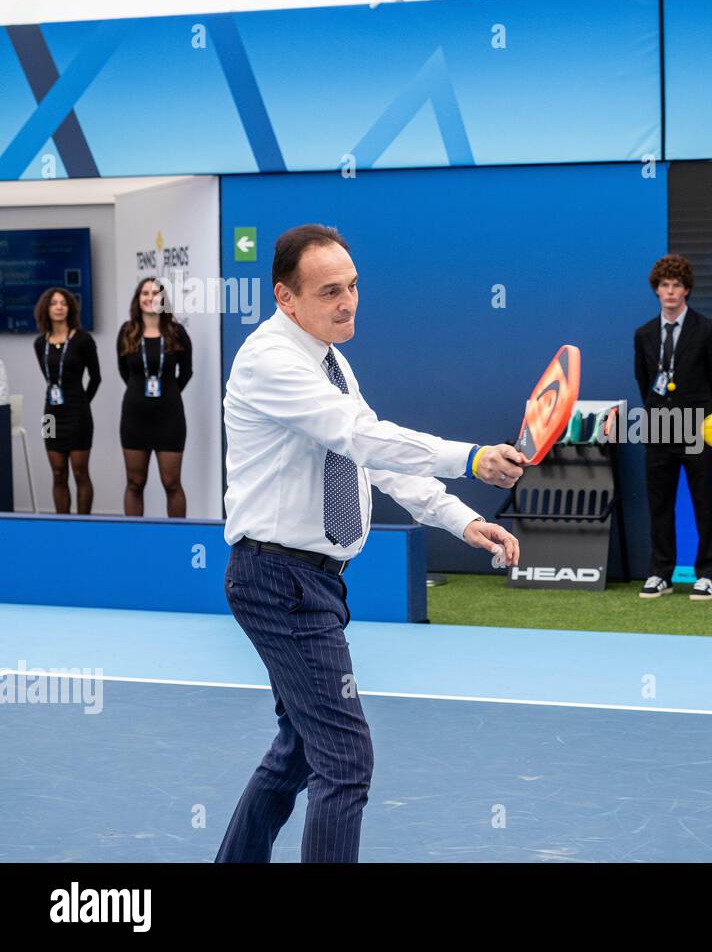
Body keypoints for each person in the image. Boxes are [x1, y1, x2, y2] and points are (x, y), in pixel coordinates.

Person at [217, 224, 524, 863]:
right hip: (278, 581)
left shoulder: (330, 358)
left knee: (300, 751)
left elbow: (375, 462)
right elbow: (362, 436)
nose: (348, 302)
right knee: (346, 757)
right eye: (330, 291)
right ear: (285, 297)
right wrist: (468, 456)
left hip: (312, 580)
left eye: (353, 286)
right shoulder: (269, 360)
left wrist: (458, 519)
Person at [633, 253, 712, 601]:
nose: (670, 292)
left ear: (686, 290)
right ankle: (661, 572)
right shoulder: (644, 334)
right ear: (657, 290)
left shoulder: (707, 330)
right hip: (659, 427)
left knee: (704, 502)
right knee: (660, 504)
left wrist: (707, 421)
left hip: (696, 428)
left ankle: (708, 575)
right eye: (664, 286)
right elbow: (644, 381)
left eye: (676, 286)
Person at [117, 277, 193, 517]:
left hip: (169, 418)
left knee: (171, 483)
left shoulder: (176, 332)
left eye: (155, 293)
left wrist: (168, 394)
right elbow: (124, 371)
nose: (150, 298)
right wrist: (140, 394)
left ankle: (179, 539)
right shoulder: (127, 332)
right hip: (134, 418)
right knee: (134, 483)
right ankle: (132, 539)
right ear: (137, 300)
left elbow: (187, 371)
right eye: (144, 294)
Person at [32, 288, 100, 514]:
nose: (59, 307)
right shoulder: (40, 343)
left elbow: (96, 377)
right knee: (58, 472)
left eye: (63, 303)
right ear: (46, 309)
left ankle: (84, 525)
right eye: (54, 303)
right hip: (51, 416)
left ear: (70, 308)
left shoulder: (83, 340)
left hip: (77, 414)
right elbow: (49, 377)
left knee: (80, 472)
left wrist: (82, 402)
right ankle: (61, 524)